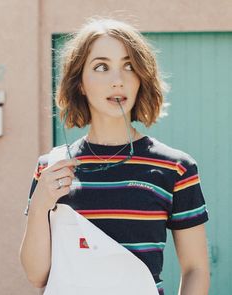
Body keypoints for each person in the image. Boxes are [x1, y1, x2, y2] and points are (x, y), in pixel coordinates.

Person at [19, 17, 210, 295]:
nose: (117, 80)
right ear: (80, 83)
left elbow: (196, 269)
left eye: (129, 66)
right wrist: (39, 207)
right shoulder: (51, 168)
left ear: (140, 79)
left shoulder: (175, 168)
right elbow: (37, 276)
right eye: (101, 67)